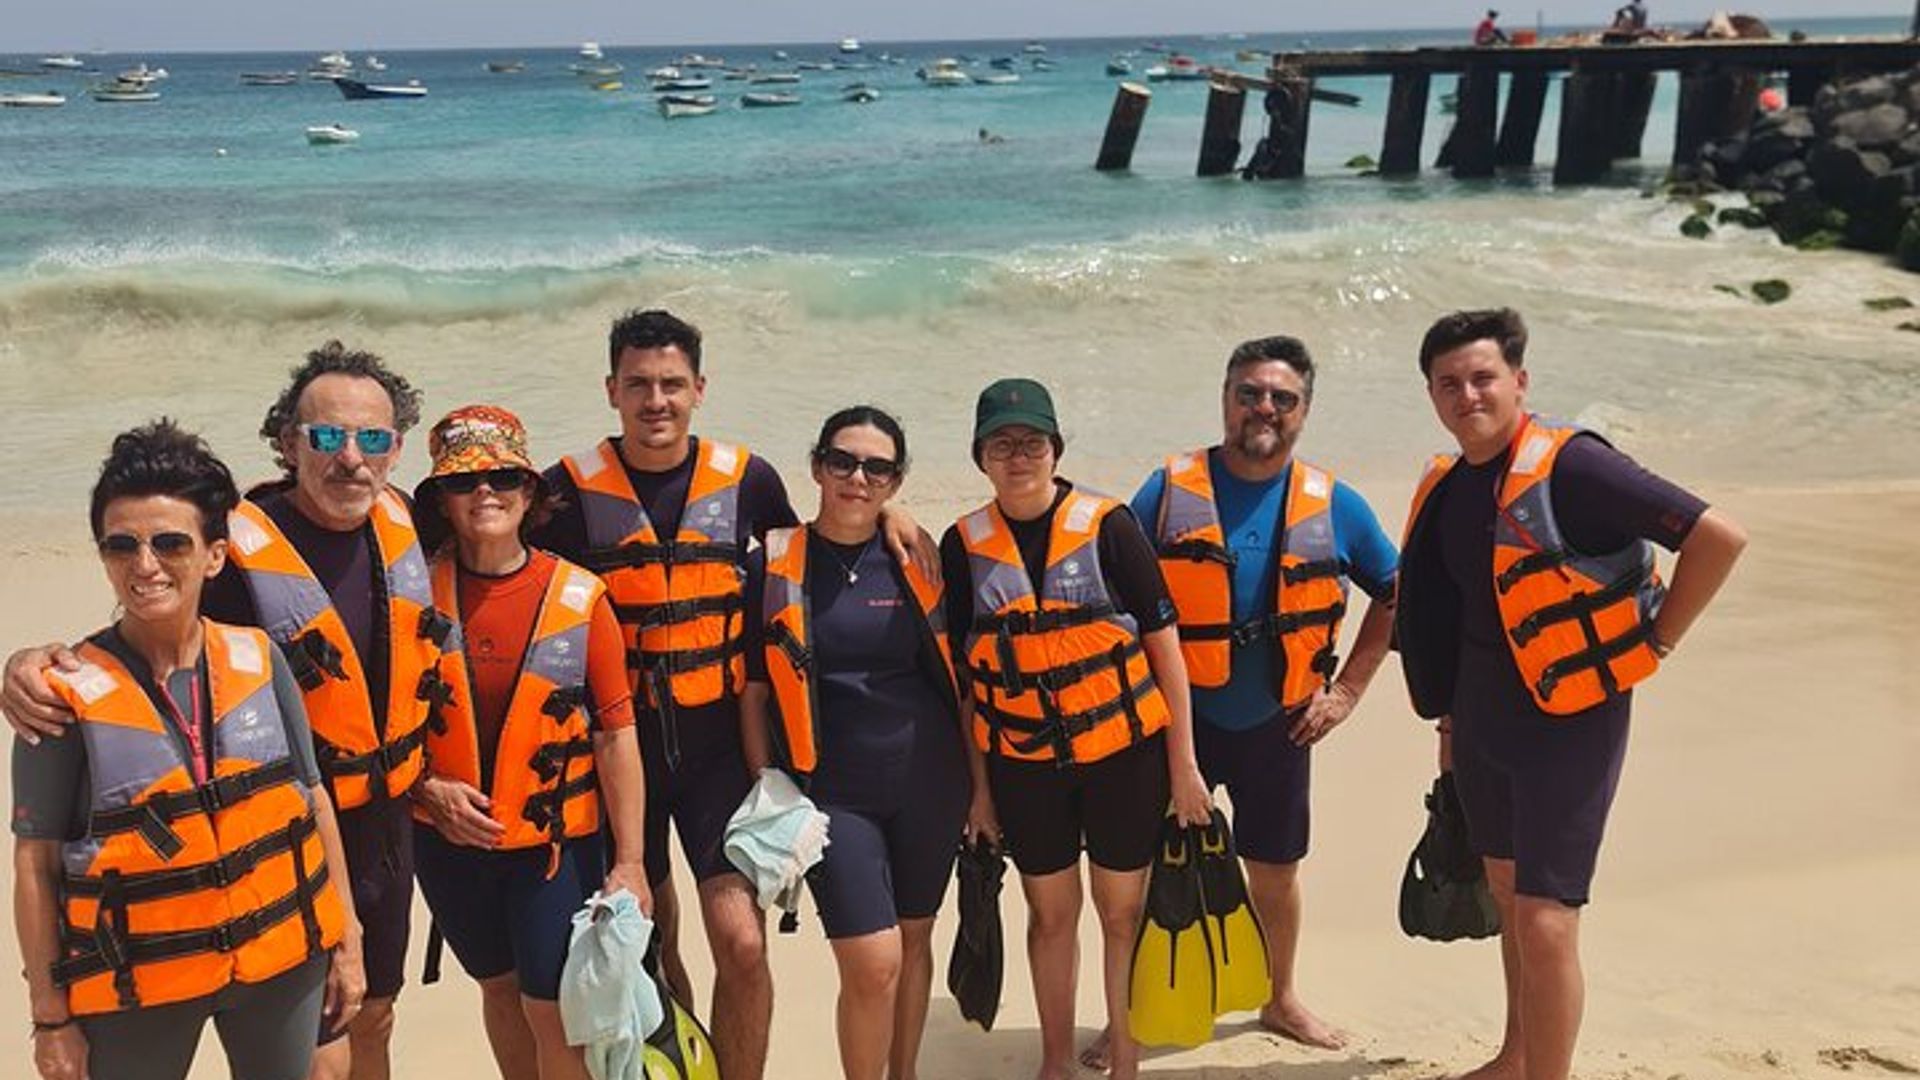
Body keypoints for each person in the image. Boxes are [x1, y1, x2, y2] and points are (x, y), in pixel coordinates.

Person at [5, 342, 438, 1080]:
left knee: (371, 1019)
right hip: (225, 859)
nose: (350, 459)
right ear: (287, 441)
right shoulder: (231, 552)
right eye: (326, 437)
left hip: (369, 829)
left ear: (397, 448)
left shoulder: (407, 524)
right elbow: (146, 616)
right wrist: (26, 665)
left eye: (373, 438)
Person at [531, 309, 932, 1080]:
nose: (657, 400)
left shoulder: (748, 479)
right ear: (611, 389)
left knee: (743, 945)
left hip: (719, 750)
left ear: (700, 389)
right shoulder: (565, 492)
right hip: (620, 753)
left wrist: (887, 507)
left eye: (672, 384)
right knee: (649, 942)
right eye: (639, 384)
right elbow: (499, 562)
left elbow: (810, 551)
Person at [1395, 309, 1746, 1080]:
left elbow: (1719, 537)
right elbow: (1446, 618)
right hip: (1484, 714)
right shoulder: (1451, 484)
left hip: (1573, 715)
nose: (1467, 395)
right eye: (1448, 384)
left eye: (1483, 378)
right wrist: (1450, 729)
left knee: (1547, 920)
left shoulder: (1576, 468)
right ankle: (1516, 1056)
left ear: (1519, 381)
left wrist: (1658, 642)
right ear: (1431, 395)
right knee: (1506, 894)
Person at [1128, 335, 1398, 1052]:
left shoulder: (1336, 504)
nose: (1264, 408)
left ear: (1304, 409)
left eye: (1282, 397)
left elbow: (1399, 595)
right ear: (1225, 398)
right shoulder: (1166, 489)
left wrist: (1345, 692)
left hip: (1279, 726)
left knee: (1275, 870)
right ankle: (1140, 1010)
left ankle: (1281, 998)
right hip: (1178, 722)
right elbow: (1113, 591)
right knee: (1150, 871)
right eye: (1249, 392)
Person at [938, 378, 1211, 1080]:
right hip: (1023, 763)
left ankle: (1125, 1059)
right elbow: (968, 686)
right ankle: (1056, 1061)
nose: (1018, 455)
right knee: (1050, 916)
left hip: (1123, 754)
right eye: (1002, 444)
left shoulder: (1110, 525)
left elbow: (1164, 649)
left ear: (1056, 449)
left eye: (1032, 442)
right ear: (981, 458)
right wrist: (980, 793)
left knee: (1122, 914)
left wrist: (1184, 767)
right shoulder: (961, 545)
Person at [407, 405, 651, 1080]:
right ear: (442, 502)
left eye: (503, 477)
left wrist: (629, 862)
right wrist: (428, 790)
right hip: (447, 844)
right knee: (497, 990)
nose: (485, 492)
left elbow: (615, 735)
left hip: (553, 850)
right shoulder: (411, 595)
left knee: (554, 1012)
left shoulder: (580, 597)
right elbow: (386, 731)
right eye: (464, 482)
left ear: (529, 493)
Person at [738, 406, 969, 1080]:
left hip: (931, 781)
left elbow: (966, 685)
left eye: (877, 467)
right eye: (842, 461)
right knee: (872, 962)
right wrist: (766, 784)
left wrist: (981, 794)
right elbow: (753, 691)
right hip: (833, 793)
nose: (857, 478)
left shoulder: (917, 555)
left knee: (916, 941)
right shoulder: (775, 564)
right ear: (816, 466)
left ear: (896, 482)